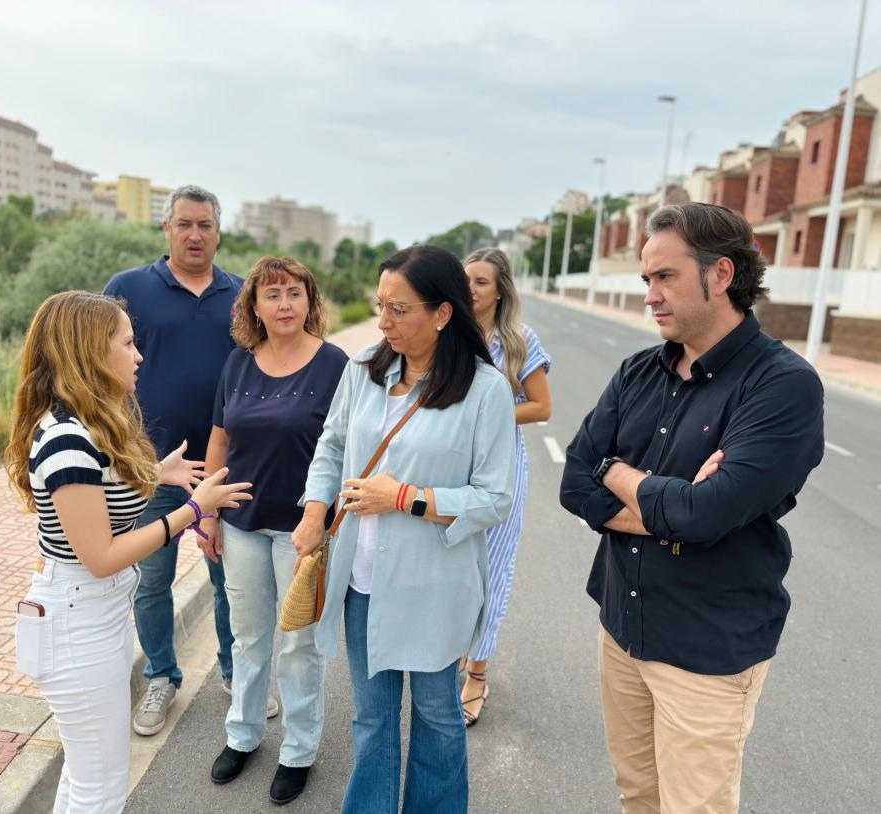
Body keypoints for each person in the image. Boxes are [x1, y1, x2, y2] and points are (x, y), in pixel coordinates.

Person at [560, 203, 824, 814]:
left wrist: (617, 471)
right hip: (623, 628)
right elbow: (575, 481)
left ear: (721, 274)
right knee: (639, 797)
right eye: (646, 279)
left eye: (665, 277)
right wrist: (664, 499)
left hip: (707, 648)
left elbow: (706, 514)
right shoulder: (638, 372)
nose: (650, 295)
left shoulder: (781, 384)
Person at [7, 291, 252, 813]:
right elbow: (102, 555)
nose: (139, 355)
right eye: (127, 343)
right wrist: (192, 511)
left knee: (86, 775)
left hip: (93, 614)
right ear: (91, 353)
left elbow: (101, 494)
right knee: (101, 790)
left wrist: (154, 473)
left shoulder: (87, 425)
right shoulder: (68, 439)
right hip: (77, 621)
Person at [294, 245, 517, 814]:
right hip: (362, 582)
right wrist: (315, 511)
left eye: (399, 309)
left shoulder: (484, 390)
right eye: (379, 306)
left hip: (434, 584)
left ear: (443, 313)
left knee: (438, 716)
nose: (383, 322)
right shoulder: (364, 369)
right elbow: (333, 446)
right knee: (372, 718)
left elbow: (495, 499)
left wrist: (405, 498)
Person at [103, 185, 276, 736]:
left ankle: (235, 674)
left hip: (226, 469)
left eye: (205, 224)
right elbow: (97, 365)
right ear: (167, 230)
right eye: (184, 224)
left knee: (231, 579)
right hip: (149, 469)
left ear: (219, 231)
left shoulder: (242, 295)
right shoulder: (127, 289)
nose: (195, 234)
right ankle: (160, 677)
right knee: (151, 580)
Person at [202, 257, 348, 805]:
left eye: (293, 293)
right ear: (254, 306)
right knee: (249, 637)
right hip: (239, 522)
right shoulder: (238, 364)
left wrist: (328, 518)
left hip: (302, 531)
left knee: (298, 643)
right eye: (271, 294)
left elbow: (344, 450)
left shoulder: (336, 366)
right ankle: (243, 734)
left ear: (310, 302)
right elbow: (219, 441)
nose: (283, 304)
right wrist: (208, 513)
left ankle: (299, 750)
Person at [459, 248, 551, 726]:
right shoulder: (446, 334)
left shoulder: (518, 340)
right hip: (450, 467)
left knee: (490, 568)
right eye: (465, 279)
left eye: (480, 281)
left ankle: (477, 671)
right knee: (451, 562)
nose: (470, 288)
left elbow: (541, 407)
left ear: (499, 290)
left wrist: (486, 418)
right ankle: (454, 648)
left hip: (500, 468)